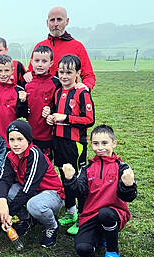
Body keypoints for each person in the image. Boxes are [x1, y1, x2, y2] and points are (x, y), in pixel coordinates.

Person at [62, 125, 137, 257]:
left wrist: (128, 185)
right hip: (90, 215)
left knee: (105, 214)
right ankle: (100, 236)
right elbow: (79, 192)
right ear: (91, 144)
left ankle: (112, 250)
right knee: (83, 249)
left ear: (114, 143)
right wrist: (70, 179)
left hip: (114, 213)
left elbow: (128, 197)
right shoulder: (86, 168)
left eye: (104, 143)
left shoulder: (122, 167)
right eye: (96, 143)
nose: (100, 147)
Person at [0, 120, 65, 248]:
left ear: (28, 140)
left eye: (20, 139)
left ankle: (52, 226)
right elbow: (3, 180)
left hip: (53, 194)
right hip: (32, 192)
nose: (15, 144)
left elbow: (27, 189)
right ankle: (27, 219)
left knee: (34, 205)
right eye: (11, 139)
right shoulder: (10, 155)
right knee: (3, 193)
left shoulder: (34, 154)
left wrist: (9, 213)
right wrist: (2, 202)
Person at [46, 54, 95, 235]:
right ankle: (71, 212)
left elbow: (89, 120)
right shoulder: (58, 92)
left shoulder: (82, 93)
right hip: (58, 141)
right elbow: (57, 115)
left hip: (75, 143)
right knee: (63, 176)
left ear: (78, 73)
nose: (64, 76)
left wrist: (66, 118)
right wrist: (51, 117)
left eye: (69, 72)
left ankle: (83, 218)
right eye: (61, 72)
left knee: (77, 179)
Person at [25, 6, 96, 91]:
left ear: (67, 21)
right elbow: (31, 72)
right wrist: (27, 75)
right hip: (43, 98)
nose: (55, 24)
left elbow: (88, 75)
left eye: (59, 19)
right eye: (52, 20)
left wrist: (85, 87)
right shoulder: (40, 46)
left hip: (67, 97)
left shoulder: (77, 46)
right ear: (47, 23)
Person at [17, 45, 61, 160]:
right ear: (31, 62)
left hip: (47, 135)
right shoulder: (26, 82)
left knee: (45, 165)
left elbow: (60, 106)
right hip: (29, 135)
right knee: (28, 163)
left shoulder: (56, 83)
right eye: (37, 61)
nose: (40, 64)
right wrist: (22, 102)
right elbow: (21, 111)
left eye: (44, 61)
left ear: (51, 63)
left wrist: (51, 112)